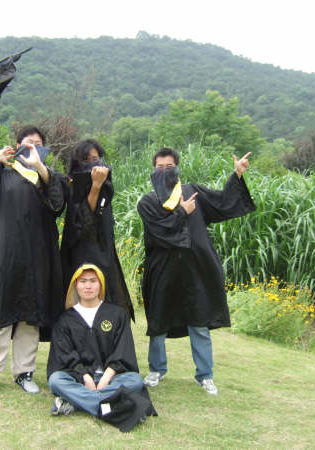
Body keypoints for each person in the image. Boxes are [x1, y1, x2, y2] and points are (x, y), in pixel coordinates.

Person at [137, 147, 255, 395]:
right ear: (153, 169)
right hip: (163, 269)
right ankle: (156, 370)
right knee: (158, 322)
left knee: (198, 320)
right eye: (159, 167)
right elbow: (160, 232)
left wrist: (237, 174)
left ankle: (205, 375)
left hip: (195, 269)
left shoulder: (193, 193)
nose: (164, 171)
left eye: (169, 167)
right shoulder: (147, 202)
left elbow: (223, 203)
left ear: (177, 168)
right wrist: (182, 211)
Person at [0, 125, 65, 398]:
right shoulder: (4, 175)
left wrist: (40, 168)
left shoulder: (48, 177)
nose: (33, 146)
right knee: (1, 312)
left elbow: (58, 204)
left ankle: (24, 372)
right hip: (7, 254)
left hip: (39, 255)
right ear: (18, 146)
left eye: (38, 143)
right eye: (28, 142)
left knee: (31, 316)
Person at [47, 264, 155, 430]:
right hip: (79, 379)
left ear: (101, 284)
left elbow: (123, 350)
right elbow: (65, 355)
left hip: (111, 379)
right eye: (83, 281)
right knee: (56, 380)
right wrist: (85, 377)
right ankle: (120, 407)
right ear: (76, 285)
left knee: (135, 380)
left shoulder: (117, 314)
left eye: (93, 281)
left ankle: (76, 402)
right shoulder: (65, 320)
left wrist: (105, 378)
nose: (88, 286)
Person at [60, 139, 134, 319]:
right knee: (81, 299)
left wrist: (99, 185)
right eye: (87, 159)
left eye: (96, 158)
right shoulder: (73, 184)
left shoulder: (105, 183)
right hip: (79, 250)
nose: (94, 164)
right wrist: (95, 186)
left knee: (105, 295)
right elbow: (85, 220)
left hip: (103, 249)